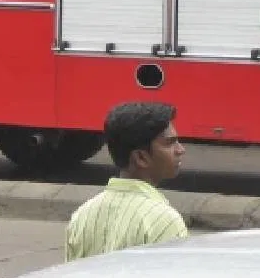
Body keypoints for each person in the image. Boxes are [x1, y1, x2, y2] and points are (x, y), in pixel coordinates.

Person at [64, 102, 188, 262]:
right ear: (141, 158)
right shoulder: (164, 221)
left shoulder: (81, 216)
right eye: (170, 143)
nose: (180, 150)